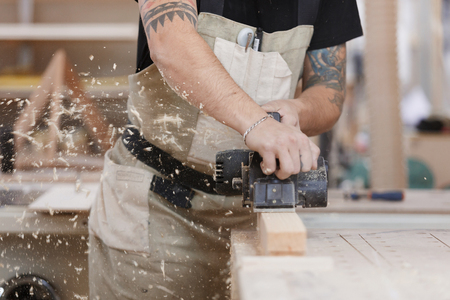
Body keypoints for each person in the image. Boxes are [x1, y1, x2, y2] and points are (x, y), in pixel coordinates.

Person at [89, 0, 363, 299]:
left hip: (252, 214)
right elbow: (170, 44)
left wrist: (297, 109)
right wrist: (256, 123)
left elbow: (329, 90)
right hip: (158, 205)